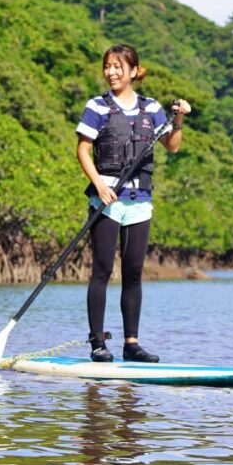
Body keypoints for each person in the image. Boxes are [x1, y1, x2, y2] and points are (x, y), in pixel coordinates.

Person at [75, 44, 191, 363]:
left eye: (117, 67)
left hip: (139, 201)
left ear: (134, 71)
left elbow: (173, 146)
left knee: (134, 272)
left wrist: (179, 118)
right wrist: (99, 184)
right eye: (107, 67)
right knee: (101, 270)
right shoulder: (97, 107)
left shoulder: (150, 108)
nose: (111, 72)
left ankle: (131, 344)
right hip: (106, 200)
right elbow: (83, 150)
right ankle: (98, 343)